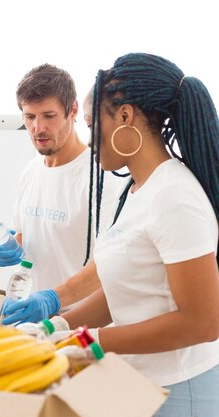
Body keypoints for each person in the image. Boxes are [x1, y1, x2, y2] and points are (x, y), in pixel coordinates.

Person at [59, 52, 219, 416]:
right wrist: (61, 324)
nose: (88, 140)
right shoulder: (139, 189)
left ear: (125, 116)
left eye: (90, 123)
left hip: (179, 391)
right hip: (141, 387)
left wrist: (93, 342)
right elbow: (127, 289)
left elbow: (203, 322)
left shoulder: (174, 197)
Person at [0, 64, 124, 324]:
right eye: (30, 117)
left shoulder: (103, 176)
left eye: (49, 115)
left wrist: (54, 300)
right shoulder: (31, 171)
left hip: (83, 325)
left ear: (73, 110)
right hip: (34, 323)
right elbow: (24, 236)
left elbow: (110, 266)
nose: (38, 128)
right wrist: (8, 246)